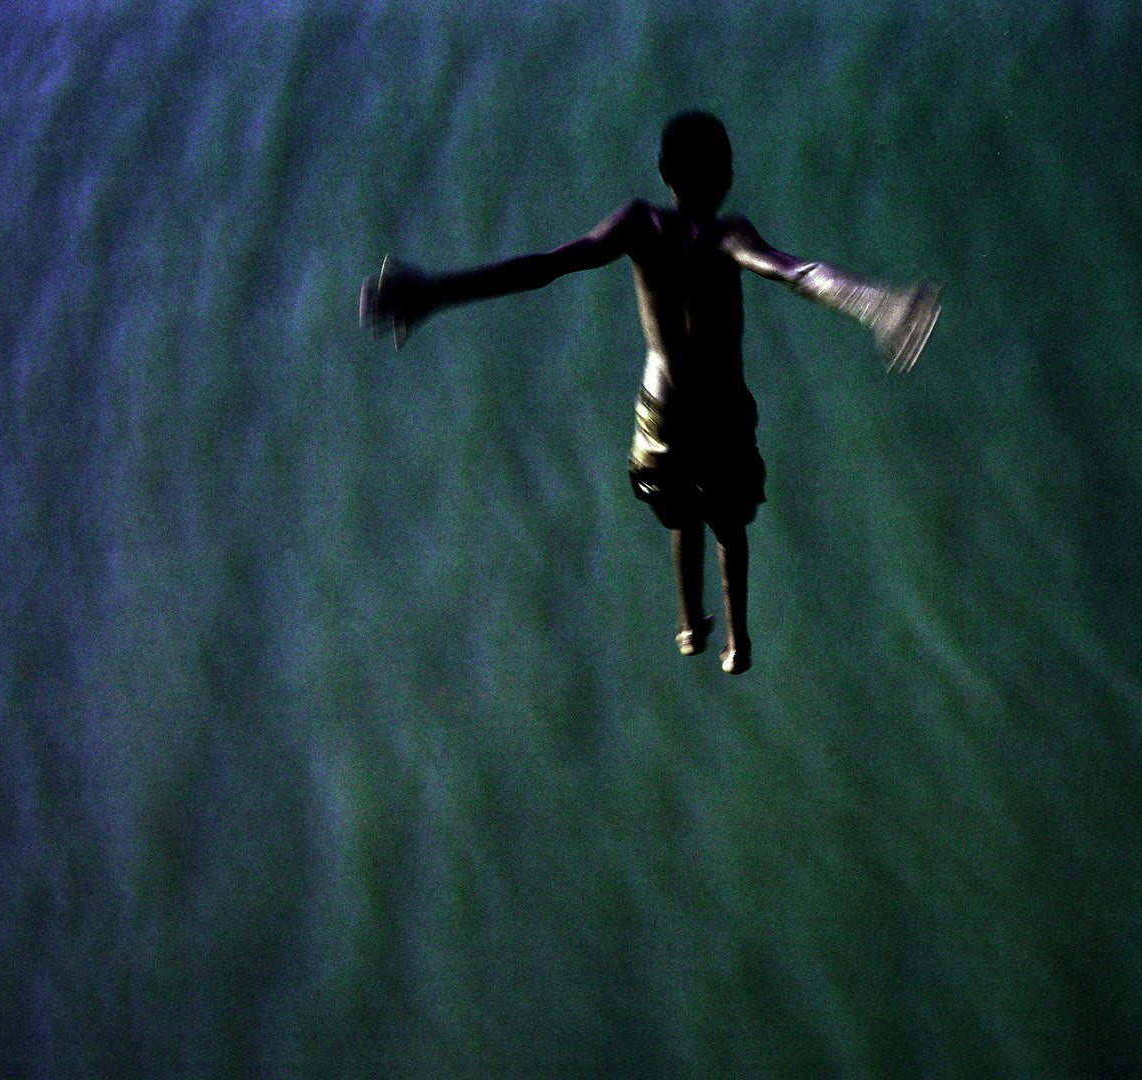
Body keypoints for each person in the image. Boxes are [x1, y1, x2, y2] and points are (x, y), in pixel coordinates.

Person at [360, 110, 939, 674]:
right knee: (729, 525)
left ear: (664, 173)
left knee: (681, 514)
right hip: (721, 414)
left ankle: (689, 626)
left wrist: (436, 291)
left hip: (662, 412)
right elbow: (798, 272)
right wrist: (875, 302)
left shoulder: (640, 225)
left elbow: (545, 266)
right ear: (727, 174)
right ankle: (737, 641)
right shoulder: (730, 235)